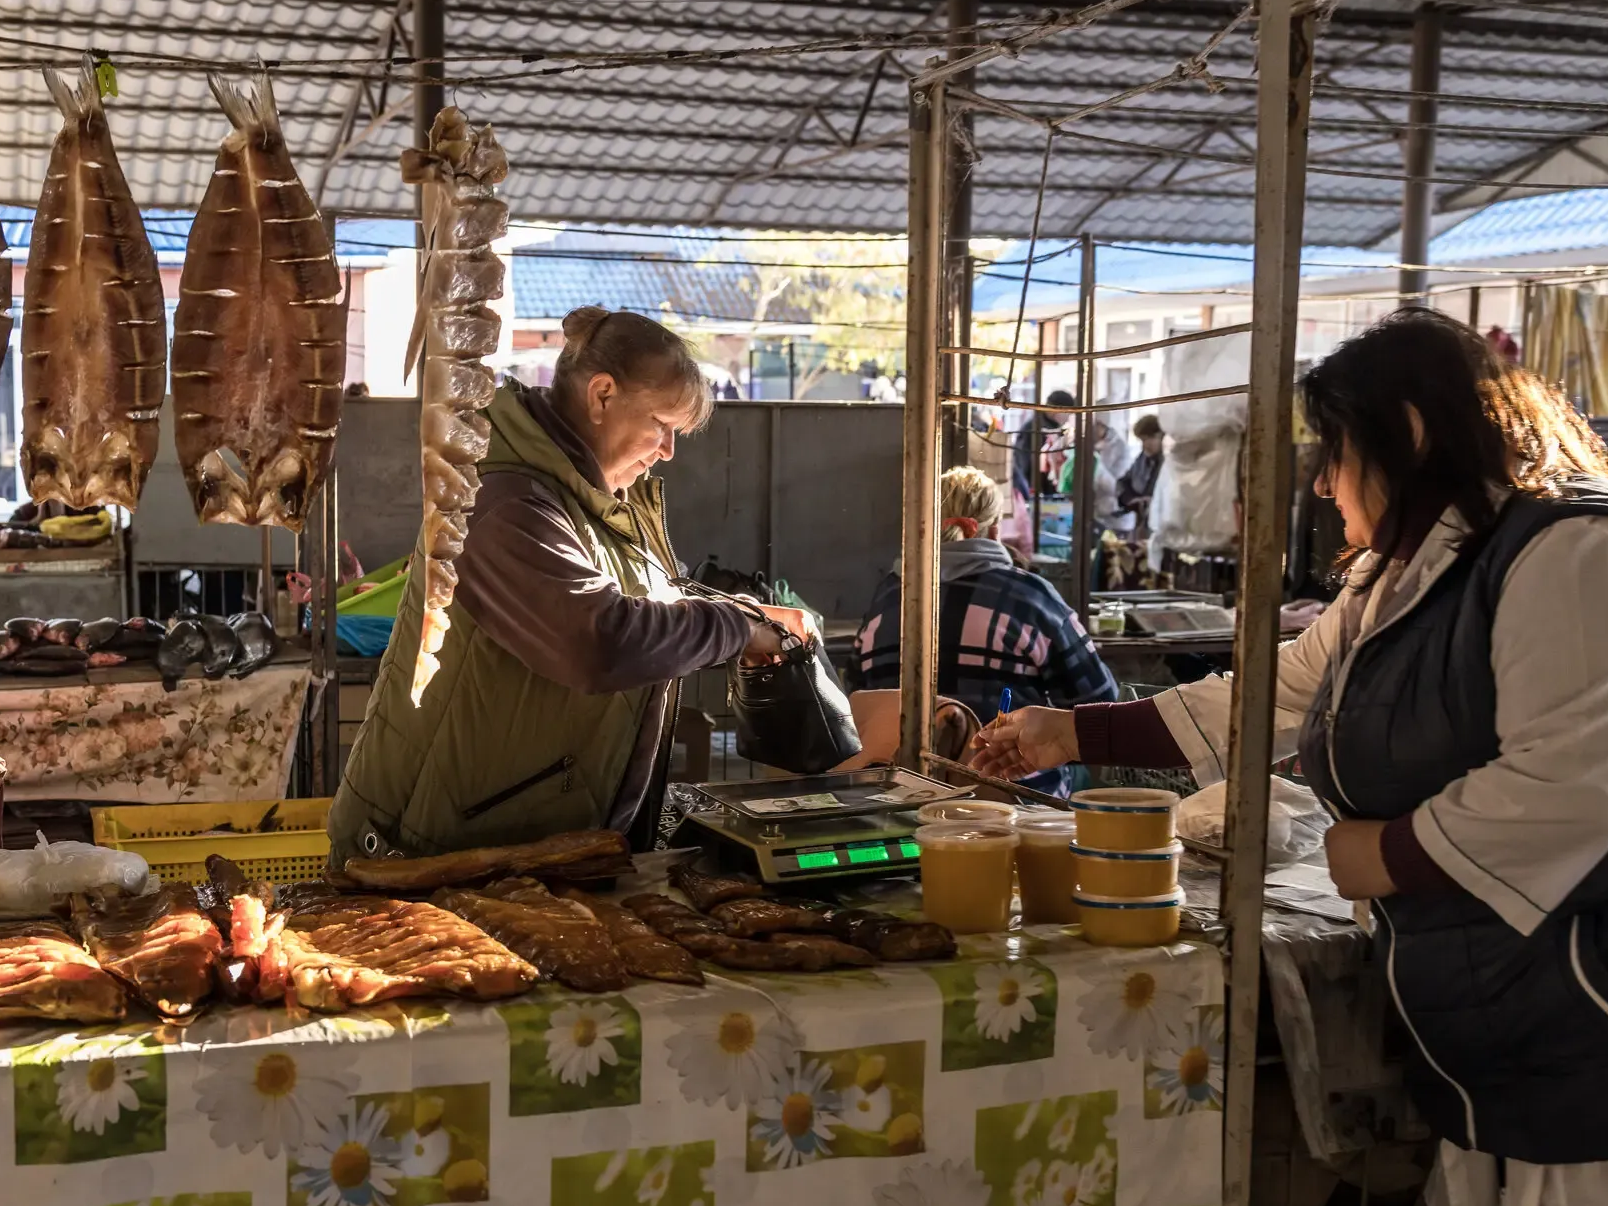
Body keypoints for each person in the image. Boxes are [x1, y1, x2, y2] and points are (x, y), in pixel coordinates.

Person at [971, 308, 1608, 1206]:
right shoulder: (1395, 577)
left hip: (1579, 1013)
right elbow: (1265, 697)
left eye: (1333, 453)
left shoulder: (1563, 552)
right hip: (1497, 1020)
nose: (1318, 484)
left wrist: (1381, 854)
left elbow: (1574, 780)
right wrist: (1067, 727)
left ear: (1404, 435)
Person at [329, 307, 808, 863]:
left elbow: (635, 606)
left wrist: (736, 612)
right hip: (423, 855)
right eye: (662, 425)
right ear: (602, 396)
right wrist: (733, 628)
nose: (668, 451)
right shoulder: (502, 502)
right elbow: (596, 639)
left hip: (522, 844)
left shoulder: (592, 500)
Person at [852, 468, 1117, 794]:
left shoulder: (890, 596)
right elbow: (1100, 703)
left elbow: (859, 702)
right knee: (1085, 777)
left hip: (901, 798)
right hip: (1013, 806)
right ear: (995, 531)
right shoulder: (1031, 596)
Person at [1117, 414, 1166, 535]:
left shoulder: (1169, 462)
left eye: (1151, 438)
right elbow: (1124, 482)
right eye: (1143, 440)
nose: (1146, 445)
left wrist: (1154, 500)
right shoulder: (1142, 459)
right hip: (1142, 523)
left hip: (1162, 526)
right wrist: (1132, 499)